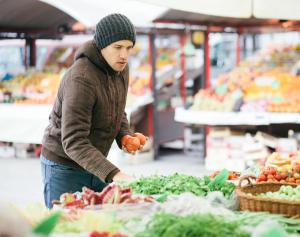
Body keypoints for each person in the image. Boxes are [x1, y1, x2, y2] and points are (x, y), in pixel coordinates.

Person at [40, 13, 143, 208]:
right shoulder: (81, 78)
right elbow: (73, 141)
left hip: (94, 162)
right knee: (65, 227)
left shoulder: (121, 68)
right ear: (102, 45)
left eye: (129, 48)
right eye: (118, 47)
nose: (124, 55)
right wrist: (115, 174)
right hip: (64, 166)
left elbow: (118, 109)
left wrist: (125, 136)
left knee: (96, 222)